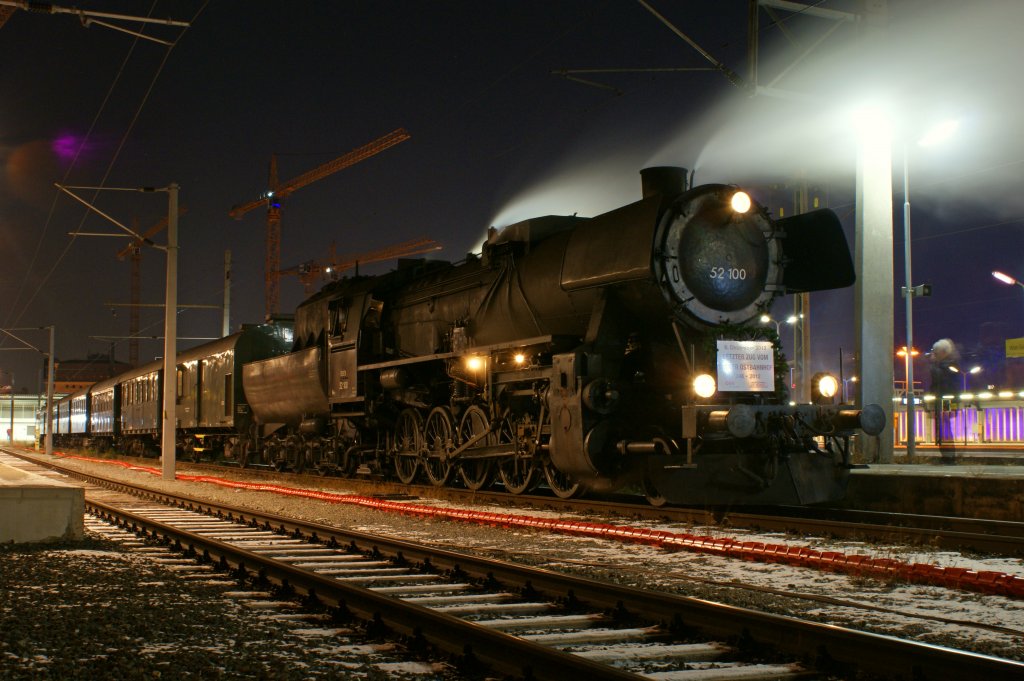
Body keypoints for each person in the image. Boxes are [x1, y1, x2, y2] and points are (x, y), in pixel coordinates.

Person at [928, 338, 959, 464]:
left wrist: (934, 366)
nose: (934, 355)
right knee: (942, 428)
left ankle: (949, 457)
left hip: (947, 401)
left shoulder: (950, 365)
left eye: (936, 352)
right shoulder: (944, 365)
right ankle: (947, 456)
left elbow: (942, 380)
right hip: (943, 400)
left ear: (944, 352)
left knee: (944, 428)